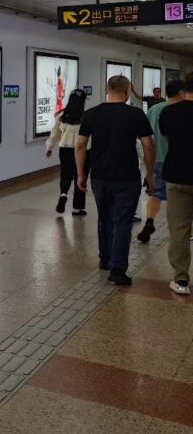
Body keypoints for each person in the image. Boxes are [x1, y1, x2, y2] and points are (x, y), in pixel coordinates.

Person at [76, 76, 154, 286]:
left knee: (105, 217)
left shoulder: (91, 114)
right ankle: (118, 268)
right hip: (127, 177)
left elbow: (80, 145)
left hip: (100, 176)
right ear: (127, 92)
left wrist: (81, 174)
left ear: (106, 89)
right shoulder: (135, 114)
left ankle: (105, 258)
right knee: (123, 221)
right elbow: (148, 145)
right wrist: (150, 174)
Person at [157, 75, 193, 296]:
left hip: (177, 175)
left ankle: (181, 279)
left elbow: (167, 137)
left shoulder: (169, 112)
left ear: (184, 90)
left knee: (179, 229)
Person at [136, 80, 183, 242]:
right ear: (181, 92)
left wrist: (147, 161)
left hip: (156, 158)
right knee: (180, 194)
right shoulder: (181, 110)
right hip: (177, 159)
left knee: (156, 193)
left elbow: (146, 136)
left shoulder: (154, 109)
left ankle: (149, 221)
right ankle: (181, 228)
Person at [46, 89, 87, 216]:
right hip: (82, 150)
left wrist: (49, 147)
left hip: (65, 149)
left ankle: (63, 194)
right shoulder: (86, 116)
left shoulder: (62, 115)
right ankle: (78, 207)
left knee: (65, 174)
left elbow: (55, 133)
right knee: (80, 176)